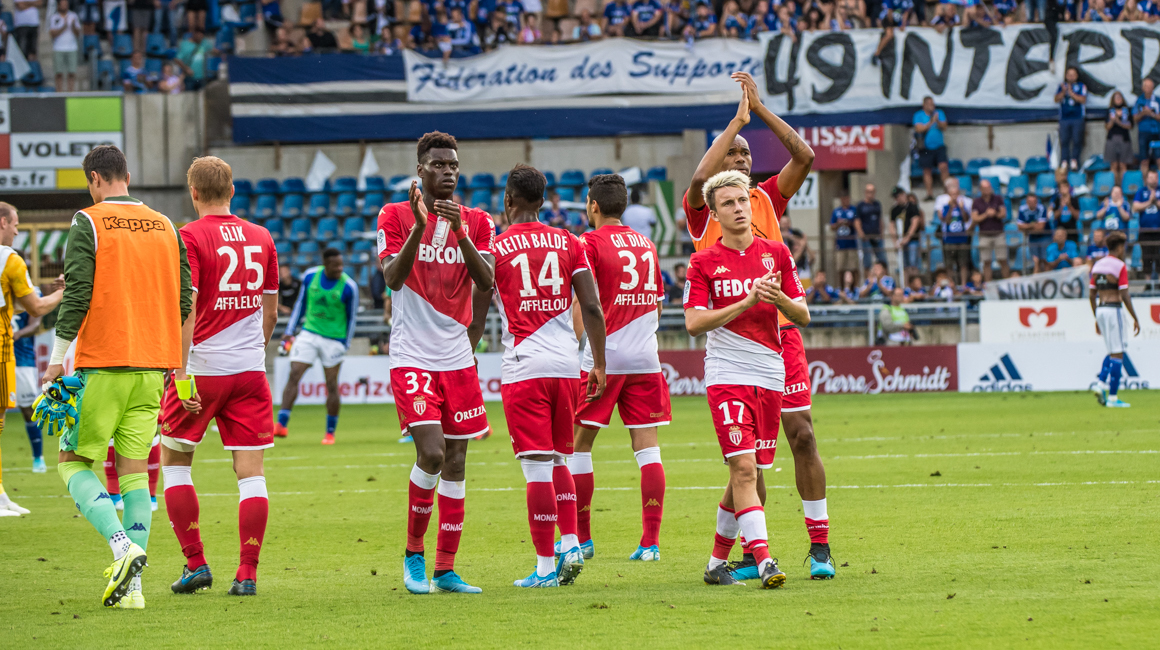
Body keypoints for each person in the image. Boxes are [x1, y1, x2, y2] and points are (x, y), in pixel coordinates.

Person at [684, 71, 833, 581]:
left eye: (747, 153)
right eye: (733, 153)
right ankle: (751, 556)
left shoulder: (765, 199)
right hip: (732, 340)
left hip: (780, 334)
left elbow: (805, 157)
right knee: (746, 461)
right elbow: (698, 181)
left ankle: (819, 548)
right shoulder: (704, 210)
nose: (742, 159)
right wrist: (736, 122)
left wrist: (760, 110)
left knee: (802, 435)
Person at [44, 144, 192, 608]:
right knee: (134, 474)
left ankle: (121, 547)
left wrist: (56, 359)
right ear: (126, 175)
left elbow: (78, 294)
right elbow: (185, 297)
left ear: (94, 178)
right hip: (152, 367)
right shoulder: (166, 224)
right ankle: (135, 590)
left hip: (103, 362)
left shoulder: (88, 221)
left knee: (71, 462)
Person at [471, 165, 606, 588]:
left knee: (535, 467)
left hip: (524, 366)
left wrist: (464, 359)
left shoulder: (495, 248)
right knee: (561, 458)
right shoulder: (570, 242)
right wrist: (599, 363)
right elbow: (592, 307)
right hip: (566, 365)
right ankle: (572, 542)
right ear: (543, 201)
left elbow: (476, 317)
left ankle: (546, 567)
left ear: (508, 200)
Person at [378, 131, 495, 595]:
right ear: (420, 170)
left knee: (457, 461)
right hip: (412, 355)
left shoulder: (478, 221)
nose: (448, 172)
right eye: (439, 165)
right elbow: (392, 278)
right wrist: (419, 228)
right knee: (431, 453)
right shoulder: (394, 215)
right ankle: (413, 555)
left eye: (454, 165)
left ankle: (446, 569)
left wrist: (459, 232)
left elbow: (486, 281)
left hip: (457, 357)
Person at [684, 170, 810, 589]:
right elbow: (693, 323)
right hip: (727, 373)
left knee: (749, 471)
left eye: (742, 200)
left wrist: (779, 299)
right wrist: (747, 300)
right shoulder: (703, 262)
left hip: (770, 373)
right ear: (715, 214)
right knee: (742, 468)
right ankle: (764, 559)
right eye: (728, 203)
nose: (738, 208)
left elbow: (803, 315)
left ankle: (715, 563)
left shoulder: (777, 252)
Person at [162, 156, 279, 597]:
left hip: (201, 369)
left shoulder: (188, 236)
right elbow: (271, 312)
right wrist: (252, 353)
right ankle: (247, 573)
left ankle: (196, 564)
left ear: (193, 193)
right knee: (251, 474)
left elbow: (187, 308)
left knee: (175, 463)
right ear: (232, 191)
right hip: (249, 371)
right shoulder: (262, 236)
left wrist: (180, 373)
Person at [568, 174, 670, 564]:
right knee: (648, 448)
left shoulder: (588, 243)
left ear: (593, 205)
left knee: (579, 445)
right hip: (646, 358)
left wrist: (585, 351)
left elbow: (584, 304)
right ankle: (650, 544)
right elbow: (657, 305)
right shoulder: (647, 244)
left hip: (604, 357)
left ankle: (582, 539)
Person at [0, 205, 65, 516]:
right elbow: (37, 308)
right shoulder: (9, 259)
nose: (17, 231)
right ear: (3, 222)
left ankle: (1, 495)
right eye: (15, 224)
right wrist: (63, 293)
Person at [276, 248, 358, 445]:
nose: (340, 268)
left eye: (341, 265)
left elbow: (352, 317)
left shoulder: (349, 286)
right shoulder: (310, 276)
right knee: (294, 373)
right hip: (309, 333)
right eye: (335, 265)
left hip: (334, 340)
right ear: (325, 264)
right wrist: (290, 330)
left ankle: (330, 432)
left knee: (331, 384)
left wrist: (345, 344)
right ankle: (281, 424)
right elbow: (300, 305)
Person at [1089, 231, 1140, 408]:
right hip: (1114, 309)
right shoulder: (1120, 266)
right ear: (1119, 248)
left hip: (1101, 309)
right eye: (1123, 247)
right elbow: (1124, 294)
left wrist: (1096, 316)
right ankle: (1110, 395)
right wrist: (1135, 317)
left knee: (1112, 351)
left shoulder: (1097, 266)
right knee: (1118, 353)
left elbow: (1091, 295)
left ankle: (1101, 385)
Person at [12, 293, 45, 473]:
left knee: (28, 410)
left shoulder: (32, 292)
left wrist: (17, 334)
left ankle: (38, 457)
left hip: (22, 361)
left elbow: (35, 324)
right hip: (3, 359)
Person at [913, 96, 950, 201]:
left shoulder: (939, 113)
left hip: (939, 146)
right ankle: (929, 193)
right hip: (926, 147)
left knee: (943, 166)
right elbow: (919, 129)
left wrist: (937, 120)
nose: (932, 106)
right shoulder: (918, 115)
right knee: (927, 170)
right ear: (924, 105)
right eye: (929, 104)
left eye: (933, 104)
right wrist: (931, 122)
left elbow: (944, 127)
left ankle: (947, 192)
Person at [972, 178, 1008, 281]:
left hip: (998, 234)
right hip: (984, 235)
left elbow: (1003, 214)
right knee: (986, 261)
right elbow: (975, 218)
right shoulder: (977, 202)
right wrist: (986, 214)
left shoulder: (998, 199)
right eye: (985, 188)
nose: (988, 190)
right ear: (981, 189)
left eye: (989, 187)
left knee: (1003, 260)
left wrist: (995, 214)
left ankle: (1007, 282)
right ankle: (988, 284)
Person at [1055, 67, 1088, 171]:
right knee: (1064, 140)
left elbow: (1083, 99)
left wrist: (1071, 93)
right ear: (1066, 76)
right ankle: (1064, 161)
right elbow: (1056, 99)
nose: (1071, 77)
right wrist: (1063, 92)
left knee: (1077, 140)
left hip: (1077, 117)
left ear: (1077, 76)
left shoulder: (1081, 86)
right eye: (1069, 74)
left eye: (1073, 75)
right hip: (1065, 118)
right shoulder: (1062, 86)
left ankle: (1075, 161)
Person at [1131, 169, 1160, 279]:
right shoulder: (1141, 191)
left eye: (1155, 177)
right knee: (1146, 258)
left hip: (1158, 230)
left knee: (1159, 258)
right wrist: (1149, 202)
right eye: (1151, 177)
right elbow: (1135, 207)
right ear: (1147, 179)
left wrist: (1155, 201)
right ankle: (1148, 283)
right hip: (1145, 231)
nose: (1153, 180)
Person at [855, 183, 890, 273]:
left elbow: (880, 220)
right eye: (868, 192)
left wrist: (881, 233)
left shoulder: (877, 204)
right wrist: (861, 233)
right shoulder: (860, 205)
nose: (870, 194)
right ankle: (868, 279)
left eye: (872, 192)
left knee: (883, 259)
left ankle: (885, 277)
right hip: (866, 237)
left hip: (876, 236)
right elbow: (857, 221)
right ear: (865, 192)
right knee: (867, 261)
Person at [49, 0, 81, 92]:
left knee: (71, 72)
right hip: (58, 48)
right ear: (59, 5)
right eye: (63, 4)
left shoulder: (73, 16)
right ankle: (59, 92)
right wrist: (64, 26)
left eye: (66, 4)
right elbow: (52, 34)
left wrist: (73, 26)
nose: (65, 6)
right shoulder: (54, 17)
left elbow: (78, 33)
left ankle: (71, 92)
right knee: (59, 73)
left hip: (72, 48)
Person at [1105, 91, 1133, 187]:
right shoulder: (1110, 111)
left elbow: (1130, 126)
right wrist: (1112, 121)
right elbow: (1107, 127)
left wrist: (1119, 122)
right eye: (1116, 98)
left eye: (1119, 97)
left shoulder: (1127, 111)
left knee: (1123, 164)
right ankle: (1114, 186)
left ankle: (1123, 187)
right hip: (1112, 138)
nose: (1118, 99)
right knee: (1113, 165)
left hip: (1124, 139)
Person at [1017, 194, 1050, 273]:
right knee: (1036, 261)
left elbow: (1041, 227)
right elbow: (1020, 227)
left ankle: (1047, 278)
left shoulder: (1041, 208)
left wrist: (1027, 227)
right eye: (1030, 201)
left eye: (1034, 201)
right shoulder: (1022, 209)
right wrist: (1033, 225)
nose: (1032, 203)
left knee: (1045, 260)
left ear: (1037, 202)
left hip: (1045, 236)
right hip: (1032, 238)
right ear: (1026, 202)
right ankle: (1037, 278)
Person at [892, 188, 923, 273]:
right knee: (904, 265)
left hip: (912, 240)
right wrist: (895, 241)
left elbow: (915, 223)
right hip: (901, 240)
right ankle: (906, 281)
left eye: (898, 196)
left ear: (903, 195)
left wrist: (907, 238)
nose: (897, 199)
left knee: (913, 264)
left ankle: (914, 280)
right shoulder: (894, 210)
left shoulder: (912, 207)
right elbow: (891, 225)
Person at [1134, 78, 1160, 176]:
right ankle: (1145, 183)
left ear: (1153, 88)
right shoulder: (1139, 101)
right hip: (1143, 133)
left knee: (1159, 158)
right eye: (1146, 86)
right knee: (1144, 160)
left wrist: (1151, 114)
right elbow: (1135, 118)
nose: (1148, 89)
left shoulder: (1157, 100)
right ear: (1142, 88)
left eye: (1150, 86)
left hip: (1156, 132)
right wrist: (1143, 113)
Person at [830, 193, 858, 277]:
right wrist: (839, 224)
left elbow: (857, 223)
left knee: (853, 266)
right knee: (840, 267)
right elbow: (832, 226)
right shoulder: (836, 211)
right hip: (840, 243)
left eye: (847, 198)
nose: (845, 201)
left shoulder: (854, 210)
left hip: (852, 242)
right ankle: (841, 285)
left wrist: (849, 223)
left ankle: (854, 284)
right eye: (843, 199)